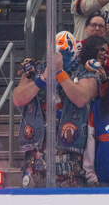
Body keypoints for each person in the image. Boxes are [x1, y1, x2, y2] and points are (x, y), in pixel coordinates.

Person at [12, 32, 100, 188]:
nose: (60, 56)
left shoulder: (84, 71)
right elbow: (18, 99)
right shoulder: (34, 70)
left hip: (71, 155)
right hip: (37, 154)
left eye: (65, 53)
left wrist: (59, 73)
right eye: (57, 53)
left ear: (75, 51)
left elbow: (82, 99)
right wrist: (43, 78)